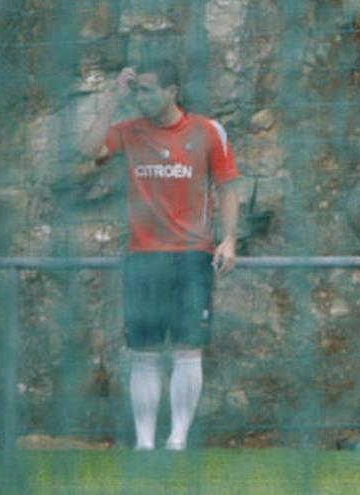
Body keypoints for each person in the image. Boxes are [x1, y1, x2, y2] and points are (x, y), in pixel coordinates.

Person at [79, 60, 240, 451]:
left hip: (192, 256)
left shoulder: (206, 131)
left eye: (147, 89)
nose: (140, 97)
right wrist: (114, 98)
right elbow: (87, 150)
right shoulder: (129, 131)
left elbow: (227, 187)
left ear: (171, 92)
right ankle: (144, 443)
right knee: (144, 353)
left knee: (188, 349)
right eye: (137, 90)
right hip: (143, 256)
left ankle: (178, 439)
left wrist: (230, 238)